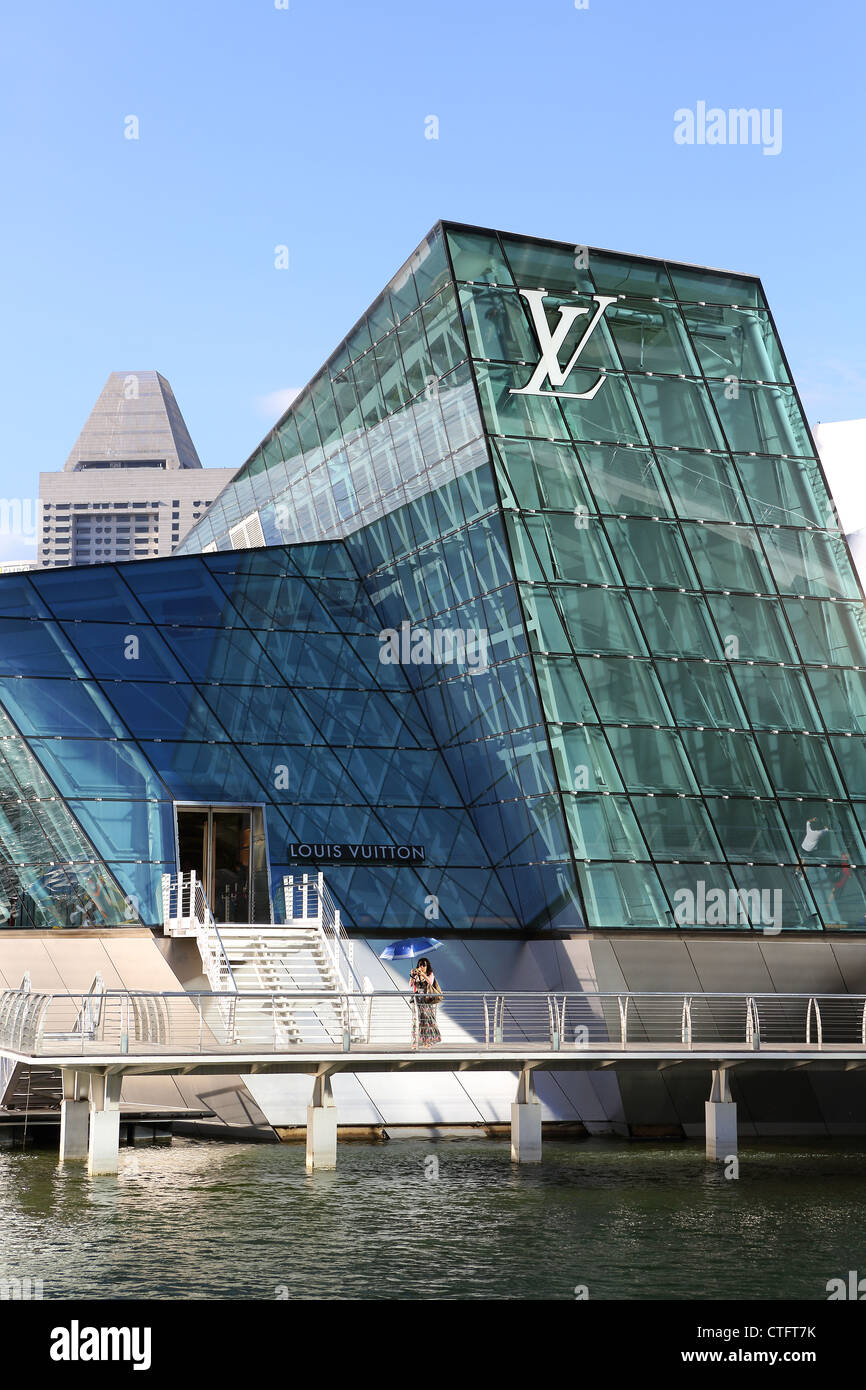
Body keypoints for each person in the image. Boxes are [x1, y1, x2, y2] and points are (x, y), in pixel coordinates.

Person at [410, 957, 442, 1048]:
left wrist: (423, 975)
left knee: (427, 1020)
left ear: (427, 966)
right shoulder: (416, 975)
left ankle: (427, 1042)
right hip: (416, 1000)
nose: (422, 967)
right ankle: (415, 1042)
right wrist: (412, 975)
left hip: (426, 1000)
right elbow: (411, 984)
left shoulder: (430, 974)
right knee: (416, 1020)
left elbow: (430, 982)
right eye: (421, 965)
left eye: (424, 965)